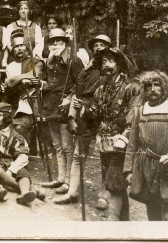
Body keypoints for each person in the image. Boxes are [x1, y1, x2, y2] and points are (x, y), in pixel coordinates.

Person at [69, 48, 140, 219]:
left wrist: (125, 137)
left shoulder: (131, 88)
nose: (106, 64)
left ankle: (117, 220)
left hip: (122, 142)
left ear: (119, 64)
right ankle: (123, 221)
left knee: (115, 181)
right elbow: (95, 114)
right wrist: (82, 109)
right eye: (103, 62)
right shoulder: (101, 89)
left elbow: (134, 116)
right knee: (112, 183)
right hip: (104, 142)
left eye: (110, 61)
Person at [124, 70, 168, 221]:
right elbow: (132, 143)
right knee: (152, 210)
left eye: (156, 85)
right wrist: (128, 170)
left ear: (164, 87)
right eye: (148, 86)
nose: (152, 89)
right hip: (146, 166)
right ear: (144, 89)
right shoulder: (140, 111)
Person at [56, 33, 113, 208]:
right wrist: (72, 116)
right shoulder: (87, 69)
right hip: (85, 111)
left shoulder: (114, 67)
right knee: (79, 154)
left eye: (102, 44)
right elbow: (77, 92)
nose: (98, 48)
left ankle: (104, 194)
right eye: (95, 45)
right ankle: (72, 192)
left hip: (106, 112)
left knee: (106, 155)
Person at [39, 27, 82, 193]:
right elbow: (49, 82)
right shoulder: (51, 60)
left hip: (65, 105)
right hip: (51, 104)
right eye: (52, 41)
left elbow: (80, 84)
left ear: (65, 42)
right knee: (57, 144)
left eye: (59, 41)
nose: (55, 44)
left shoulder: (74, 60)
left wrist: (69, 99)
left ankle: (69, 182)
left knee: (67, 145)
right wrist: (41, 84)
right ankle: (60, 178)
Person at [0, 103, 39, 206]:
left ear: (7, 117)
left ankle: (24, 194)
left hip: (11, 163)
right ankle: (26, 189)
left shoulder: (15, 136)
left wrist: (10, 170)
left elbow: (23, 156)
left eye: (0, 115)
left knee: (23, 171)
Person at [3, 29, 43, 144]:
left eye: (22, 45)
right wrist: (22, 79)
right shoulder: (10, 66)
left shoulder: (35, 62)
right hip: (16, 103)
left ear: (27, 47)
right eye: (16, 47)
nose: (19, 49)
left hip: (32, 104)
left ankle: (24, 151)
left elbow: (34, 75)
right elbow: (10, 83)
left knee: (20, 127)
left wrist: (18, 78)